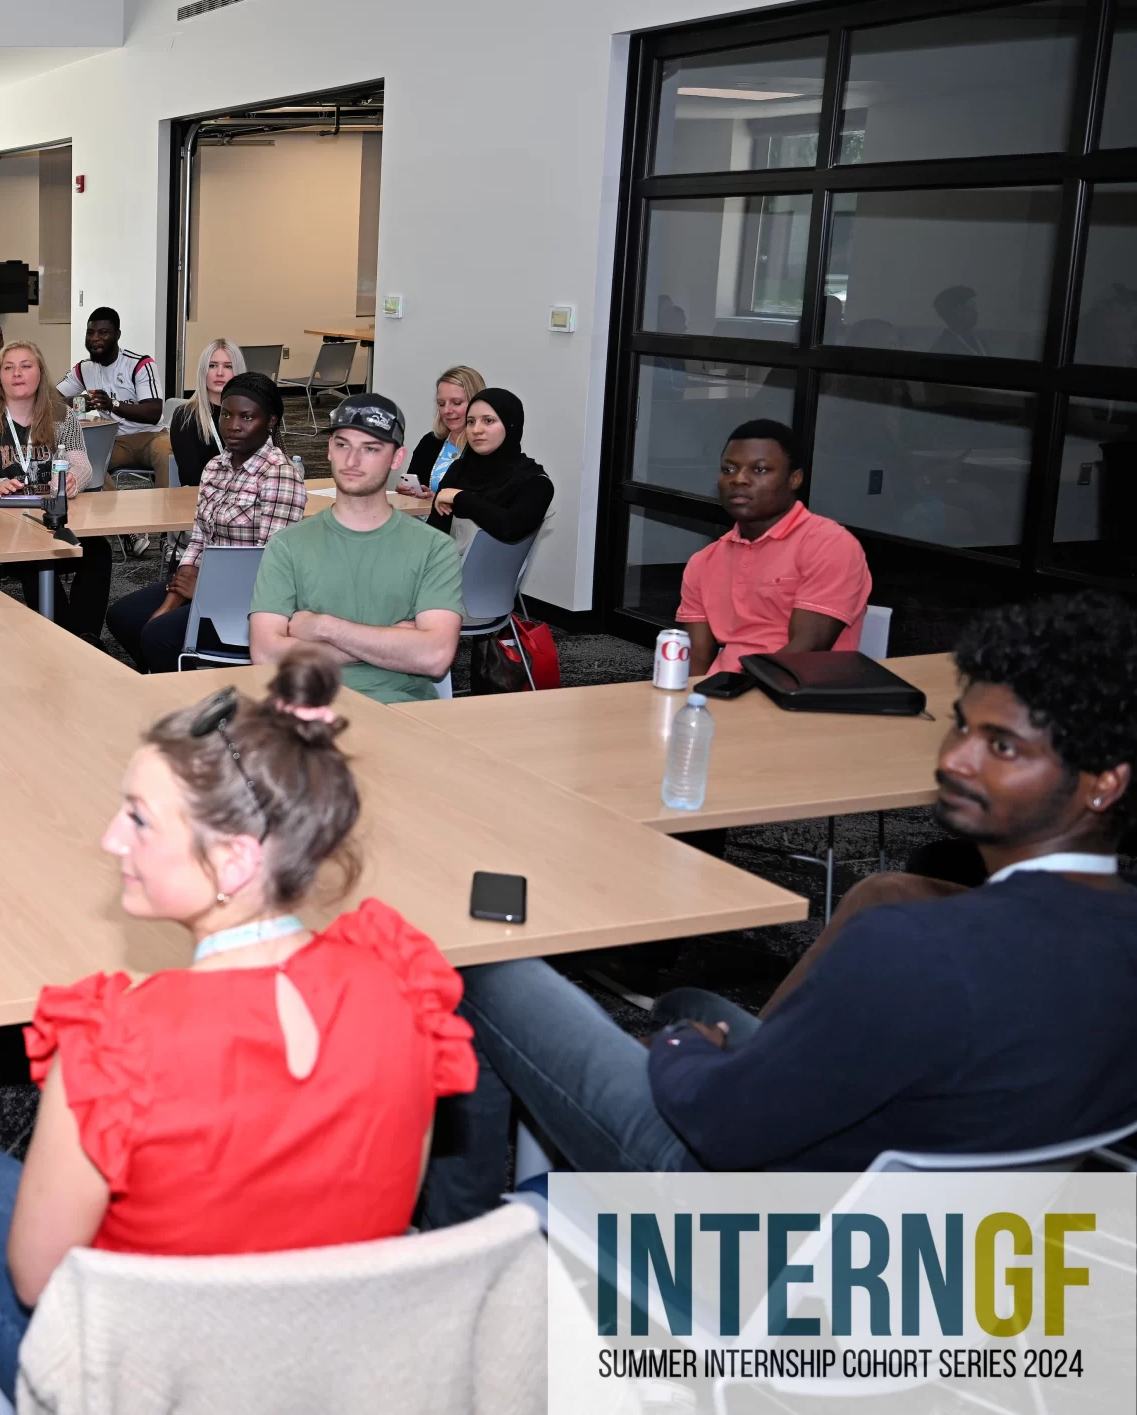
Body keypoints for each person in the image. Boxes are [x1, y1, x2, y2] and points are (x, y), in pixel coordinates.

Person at [420, 592, 1137, 1226]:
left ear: (1103, 784)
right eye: (961, 727)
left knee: (486, 967)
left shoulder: (916, 947)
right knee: (694, 998)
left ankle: (463, 1247)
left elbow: (720, 1125)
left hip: (740, 1225)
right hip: (927, 1273)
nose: (955, 760)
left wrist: (683, 1048)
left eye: (1003, 746)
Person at [0, 653, 477, 1411]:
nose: (112, 838)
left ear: (236, 859)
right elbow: (391, 1208)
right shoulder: (405, 990)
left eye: (139, 818)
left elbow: (38, 1279)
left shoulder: (115, 1044)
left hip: (157, 1386)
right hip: (337, 1373)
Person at [246, 394, 462, 703]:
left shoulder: (434, 548)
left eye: (371, 449)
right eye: (343, 444)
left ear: (397, 458)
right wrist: (393, 640)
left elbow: (434, 656)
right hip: (308, 710)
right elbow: (266, 654)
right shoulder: (287, 545)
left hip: (399, 712)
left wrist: (323, 626)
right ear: (329, 450)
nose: (352, 461)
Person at [105, 372, 303, 671]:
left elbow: (270, 567)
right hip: (204, 584)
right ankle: (174, 677)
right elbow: (198, 539)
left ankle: (190, 700)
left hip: (249, 602)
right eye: (227, 415)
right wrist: (174, 596)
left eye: (247, 417)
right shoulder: (215, 467)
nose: (233, 426)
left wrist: (203, 590)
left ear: (271, 422)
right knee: (121, 617)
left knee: (157, 635)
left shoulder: (279, 474)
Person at [676, 418, 872, 679]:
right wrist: (687, 705)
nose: (739, 480)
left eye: (759, 470)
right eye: (728, 469)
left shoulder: (829, 544)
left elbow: (809, 649)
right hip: (723, 696)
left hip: (801, 697)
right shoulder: (704, 561)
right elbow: (696, 658)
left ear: (794, 479)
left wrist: (734, 694)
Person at [0, 341, 113, 643]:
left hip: (49, 520)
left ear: (39, 373)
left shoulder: (62, 416)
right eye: (8, 368)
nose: (17, 374)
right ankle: (67, 640)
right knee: (35, 557)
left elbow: (82, 465)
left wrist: (73, 479)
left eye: (26, 366)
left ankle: (86, 635)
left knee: (98, 550)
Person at [424, 387, 553, 544]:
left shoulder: (536, 482)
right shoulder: (459, 469)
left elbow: (510, 529)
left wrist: (459, 497)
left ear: (511, 424)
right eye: (471, 422)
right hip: (445, 566)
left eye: (488, 421)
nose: (476, 430)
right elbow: (434, 536)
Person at [59, 307, 167, 476]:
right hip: (114, 441)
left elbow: (153, 412)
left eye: (103, 333)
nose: (95, 339)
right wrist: (74, 402)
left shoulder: (140, 364)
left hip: (151, 437)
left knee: (166, 452)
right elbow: (51, 399)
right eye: (90, 333)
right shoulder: (84, 369)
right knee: (87, 462)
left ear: (117, 335)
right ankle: (111, 501)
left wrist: (112, 405)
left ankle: (165, 503)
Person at [165, 338, 242, 487]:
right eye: (212, 366)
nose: (220, 373)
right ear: (203, 371)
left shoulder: (251, 415)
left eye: (228, 366)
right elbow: (191, 479)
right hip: (207, 500)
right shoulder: (186, 417)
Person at [401, 364, 486, 496]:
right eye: (441, 404)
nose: (447, 411)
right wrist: (406, 491)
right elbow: (414, 486)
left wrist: (439, 502)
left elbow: (488, 504)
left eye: (457, 402)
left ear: (477, 403)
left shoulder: (486, 448)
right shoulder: (429, 442)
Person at [931, 284, 992, 357]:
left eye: (975, 306)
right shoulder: (942, 348)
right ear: (955, 312)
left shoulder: (979, 342)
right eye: (971, 306)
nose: (976, 311)